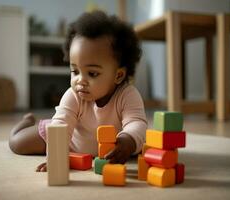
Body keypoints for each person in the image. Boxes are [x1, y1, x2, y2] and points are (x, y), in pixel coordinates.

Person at [9, 10, 148, 172]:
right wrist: (56, 157)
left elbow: (137, 123)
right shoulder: (73, 95)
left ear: (118, 75)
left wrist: (127, 140)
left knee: (136, 145)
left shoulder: (128, 95)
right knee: (18, 144)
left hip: (109, 148)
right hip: (70, 140)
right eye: (75, 71)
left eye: (92, 73)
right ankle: (26, 122)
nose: (80, 80)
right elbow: (60, 127)